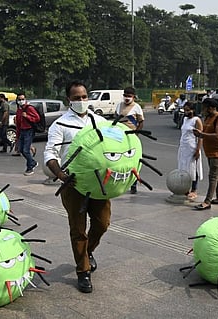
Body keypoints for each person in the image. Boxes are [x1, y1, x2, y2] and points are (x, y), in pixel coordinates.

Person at [44, 81, 108, 293]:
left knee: (102, 223)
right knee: (78, 229)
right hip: (73, 185)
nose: (81, 101)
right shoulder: (60, 125)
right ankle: (83, 272)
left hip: (99, 184)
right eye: (76, 97)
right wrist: (61, 175)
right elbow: (50, 154)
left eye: (83, 97)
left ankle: (88, 253)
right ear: (68, 100)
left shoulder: (100, 121)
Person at [191, 98, 218, 210]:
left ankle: (207, 202)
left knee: (213, 177)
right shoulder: (208, 118)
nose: (203, 110)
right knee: (217, 175)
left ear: (211, 108)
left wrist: (202, 134)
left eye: (205, 108)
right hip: (210, 152)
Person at [115, 86, 144, 194]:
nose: (127, 98)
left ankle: (134, 184)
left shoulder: (136, 107)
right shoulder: (119, 106)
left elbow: (141, 122)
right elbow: (115, 119)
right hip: (119, 137)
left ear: (133, 97)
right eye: (125, 95)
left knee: (133, 161)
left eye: (129, 96)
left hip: (132, 137)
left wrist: (136, 135)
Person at [177, 102, 203, 201]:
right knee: (183, 168)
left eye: (188, 110)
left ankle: (194, 189)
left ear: (193, 110)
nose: (186, 112)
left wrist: (198, 150)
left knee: (192, 168)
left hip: (192, 148)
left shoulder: (197, 120)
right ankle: (185, 188)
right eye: (185, 110)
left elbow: (201, 137)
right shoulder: (184, 119)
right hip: (183, 148)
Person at [15, 93, 40, 176]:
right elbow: (18, 124)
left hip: (29, 130)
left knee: (26, 150)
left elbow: (37, 118)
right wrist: (17, 136)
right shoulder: (19, 110)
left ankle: (30, 167)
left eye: (22, 99)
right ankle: (33, 162)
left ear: (25, 99)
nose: (21, 101)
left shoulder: (29, 108)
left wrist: (27, 116)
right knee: (21, 150)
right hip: (22, 131)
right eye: (19, 99)